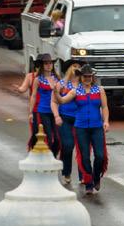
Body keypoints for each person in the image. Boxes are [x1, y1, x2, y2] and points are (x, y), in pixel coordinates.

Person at [54, 66, 109, 196]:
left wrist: (106, 121)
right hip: (81, 128)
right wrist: (55, 92)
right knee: (84, 156)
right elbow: (62, 100)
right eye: (85, 76)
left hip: (96, 127)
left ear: (92, 77)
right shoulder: (75, 91)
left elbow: (105, 107)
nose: (87, 78)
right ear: (81, 77)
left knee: (100, 155)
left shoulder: (100, 90)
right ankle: (89, 184)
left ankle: (96, 177)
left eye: (89, 76)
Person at [27, 54, 60, 157]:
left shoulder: (57, 78)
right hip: (43, 111)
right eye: (46, 63)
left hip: (55, 112)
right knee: (49, 138)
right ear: (42, 65)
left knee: (57, 139)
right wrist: (31, 112)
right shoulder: (38, 79)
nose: (49, 65)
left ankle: (53, 157)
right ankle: (47, 158)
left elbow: (62, 94)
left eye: (50, 63)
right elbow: (33, 96)